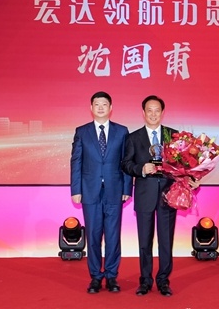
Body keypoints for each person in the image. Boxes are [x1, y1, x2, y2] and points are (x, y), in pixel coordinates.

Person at [121, 95, 199, 297]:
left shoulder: (173, 136)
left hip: (168, 195)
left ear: (163, 112)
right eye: (149, 110)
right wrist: (141, 169)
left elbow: (185, 165)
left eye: (157, 110)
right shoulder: (133, 137)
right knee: (144, 242)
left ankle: (163, 280)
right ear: (143, 113)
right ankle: (145, 281)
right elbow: (126, 164)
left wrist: (193, 178)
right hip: (144, 194)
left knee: (166, 240)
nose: (153, 114)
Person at [70, 91, 132, 294]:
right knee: (93, 235)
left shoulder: (122, 131)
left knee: (113, 236)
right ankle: (96, 277)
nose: (100, 107)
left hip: (115, 190)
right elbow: (76, 162)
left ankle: (112, 276)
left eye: (104, 104)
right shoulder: (82, 132)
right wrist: (76, 189)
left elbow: (126, 162)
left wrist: (127, 188)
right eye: (97, 104)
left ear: (111, 108)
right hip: (89, 191)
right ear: (91, 108)